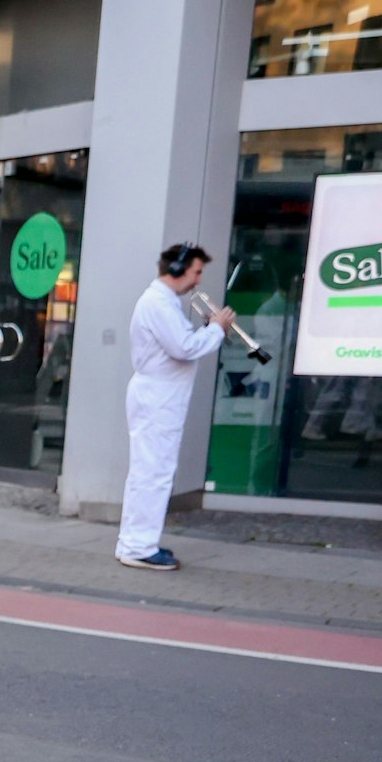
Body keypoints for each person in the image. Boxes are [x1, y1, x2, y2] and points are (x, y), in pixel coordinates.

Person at [115, 242, 230, 571]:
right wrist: (216, 329)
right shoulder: (160, 304)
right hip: (158, 398)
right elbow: (183, 347)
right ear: (178, 270)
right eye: (196, 272)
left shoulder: (161, 302)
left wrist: (209, 330)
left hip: (158, 396)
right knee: (154, 473)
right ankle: (139, 546)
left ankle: (136, 541)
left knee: (149, 472)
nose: (197, 280)